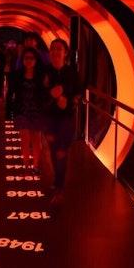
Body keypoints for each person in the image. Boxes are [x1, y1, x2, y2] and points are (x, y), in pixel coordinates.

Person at [42, 39, 83, 205]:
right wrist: (50, 95)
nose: (55, 52)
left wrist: (69, 102)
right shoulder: (44, 71)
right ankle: (56, 179)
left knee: (61, 151)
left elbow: (79, 93)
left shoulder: (72, 72)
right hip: (49, 118)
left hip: (66, 118)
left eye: (59, 49)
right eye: (52, 49)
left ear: (65, 53)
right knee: (53, 149)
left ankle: (59, 188)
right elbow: (38, 96)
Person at [6, 47, 47, 175]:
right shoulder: (17, 75)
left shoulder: (41, 76)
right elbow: (10, 93)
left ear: (36, 60)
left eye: (31, 58)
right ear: (23, 60)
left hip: (37, 112)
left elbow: (45, 93)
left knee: (36, 141)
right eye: (26, 58)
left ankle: (35, 166)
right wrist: (8, 111)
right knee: (24, 140)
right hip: (21, 111)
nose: (29, 60)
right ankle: (25, 165)